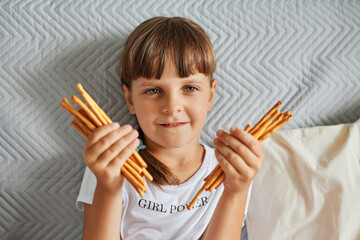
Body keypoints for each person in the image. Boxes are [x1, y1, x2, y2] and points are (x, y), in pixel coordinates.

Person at [76, 16, 264, 240]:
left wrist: (236, 191)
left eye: (190, 87)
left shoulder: (229, 168)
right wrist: (109, 188)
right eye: (153, 90)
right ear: (130, 99)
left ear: (211, 96)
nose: (172, 106)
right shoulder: (111, 163)